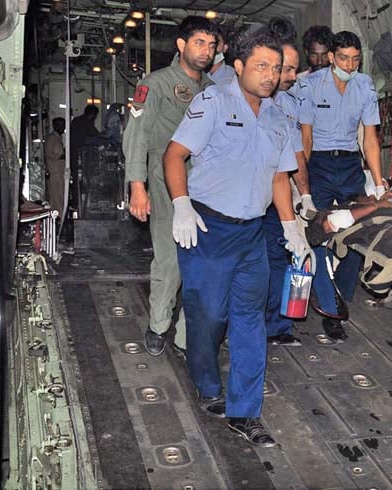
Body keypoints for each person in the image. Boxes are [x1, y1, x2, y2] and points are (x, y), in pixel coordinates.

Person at [163, 29, 308, 446]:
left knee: (249, 320)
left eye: (276, 68)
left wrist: (290, 227)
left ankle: (244, 411)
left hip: (252, 236)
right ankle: (207, 383)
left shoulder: (280, 117)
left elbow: (280, 178)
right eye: (261, 66)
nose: (270, 75)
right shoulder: (213, 101)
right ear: (239, 66)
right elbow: (175, 155)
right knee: (208, 317)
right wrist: (181, 204)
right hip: (208, 229)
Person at [123, 16, 218, 357]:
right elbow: (137, 136)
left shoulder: (213, 90)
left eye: (210, 44)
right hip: (164, 184)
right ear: (181, 45)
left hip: (204, 188)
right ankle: (159, 324)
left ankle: (185, 335)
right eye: (198, 43)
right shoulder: (156, 84)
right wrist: (138, 186)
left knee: (202, 265)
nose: (205, 51)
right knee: (169, 261)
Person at [299, 30, 384, 340]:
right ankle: (330, 305)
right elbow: (305, 138)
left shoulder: (365, 86)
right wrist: (303, 186)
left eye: (356, 59)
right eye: (344, 58)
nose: (350, 65)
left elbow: (370, 138)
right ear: (332, 57)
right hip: (319, 163)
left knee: (360, 228)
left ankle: (342, 293)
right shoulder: (309, 85)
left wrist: (377, 181)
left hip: (349, 164)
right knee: (318, 233)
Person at [261, 18, 316, 347]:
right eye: (289, 70)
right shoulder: (246, 100)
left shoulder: (289, 104)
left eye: (296, 70)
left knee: (281, 258)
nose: (293, 77)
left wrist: (305, 195)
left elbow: (296, 154)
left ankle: (277, 327)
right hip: (248, 197)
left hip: (277, 199)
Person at [44, 117, 66, 217]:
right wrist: (61, 156)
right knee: (56, 196)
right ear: (55, 126)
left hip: (60, 172)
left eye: (63, 125)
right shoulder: (51, 138)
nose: (62, 127)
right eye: (60, 125)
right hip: (54, 172)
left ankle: (61, 216)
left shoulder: (58, 139)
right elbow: (48, 154)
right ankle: (58, 217)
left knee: (61, 195)